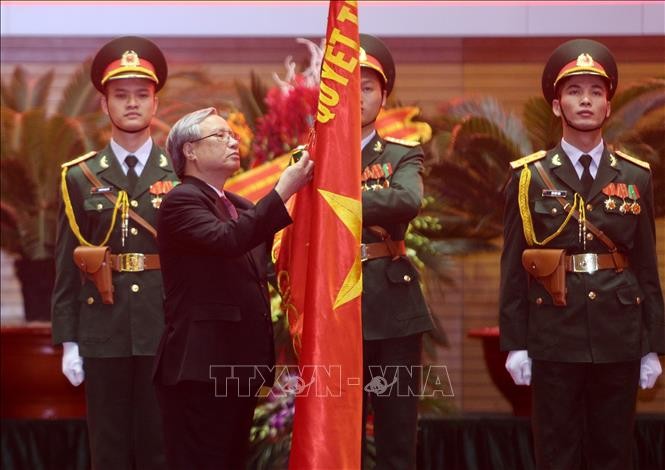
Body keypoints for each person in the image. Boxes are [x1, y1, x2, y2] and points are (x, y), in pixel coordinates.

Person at [500, 38, 664, 470]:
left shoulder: (635, 176)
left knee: (614, 452)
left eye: (596, 92)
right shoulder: (528, 177)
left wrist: (652, 346)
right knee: (556, 451)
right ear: (557, 105)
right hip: (554, 334)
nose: (586, 101)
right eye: (574, 92)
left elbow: (647, 266)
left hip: (619, 333)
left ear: (608, 105)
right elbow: (513, 268)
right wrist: (515, 343)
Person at [152, 107, 313, 469]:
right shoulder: (181, 200)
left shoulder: (236, 205)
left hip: (238, 364)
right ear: (189, 151)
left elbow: (257, 249)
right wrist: (284, 189)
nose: (232, 142)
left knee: (230, 460)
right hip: (201, 366)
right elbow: (229, 240)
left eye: (233, 135)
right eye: (220, 136)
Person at [51, 36, 174, 469]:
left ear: (156, 103)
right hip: (103, 328)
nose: (132, 104)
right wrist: (69, 342)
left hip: (164, 328)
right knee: (109, 449)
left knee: (161, 447)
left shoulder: (180, 174)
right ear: (105, 105)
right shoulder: (80, 176)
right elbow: (68, 264)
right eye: (121, 96)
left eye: (142, 95)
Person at [358, 34, 434, 470]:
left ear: (383, 96)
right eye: (348, 88)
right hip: (334, 307)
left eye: (368, 87)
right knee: (337, 431)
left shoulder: (402, 155)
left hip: (393, 309)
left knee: (397, 435)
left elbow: (407, 201)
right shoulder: (307, 157)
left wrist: (334, 196)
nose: (359, 97)